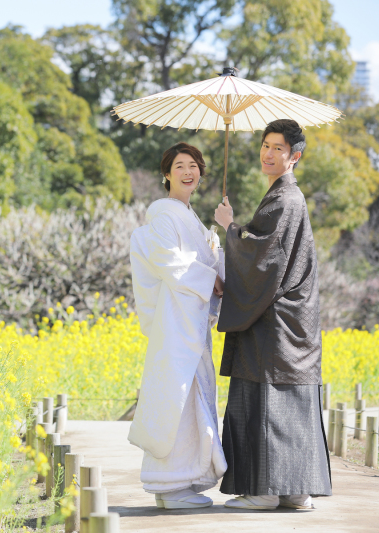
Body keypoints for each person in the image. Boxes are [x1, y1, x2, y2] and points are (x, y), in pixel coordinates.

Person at [214, 119, 331, 510]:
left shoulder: (285, 198)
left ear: (294, 156)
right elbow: (266, 247)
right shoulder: (284, 197)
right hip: (294, 323)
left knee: (266, 402)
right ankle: (296, 492)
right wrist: (242, 232)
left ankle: (264, 492)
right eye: (265, 145)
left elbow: (264, 258)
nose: (268, 153)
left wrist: (230, 229)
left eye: (278, 148)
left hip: (275, 323)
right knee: (291, 405)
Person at [129, 142, 227, 510]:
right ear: (166, 174)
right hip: (176, 325)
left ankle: (184, 479)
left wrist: (216, 241)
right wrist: (209, 277)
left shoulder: (190, 217)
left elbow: (197, 265)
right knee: (178, 399)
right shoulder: (166, 216)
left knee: (191, 399)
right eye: (180, 166)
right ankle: (169, 485)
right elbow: (167, 261)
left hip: (190, 326)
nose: (189, 172)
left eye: (195, 166)